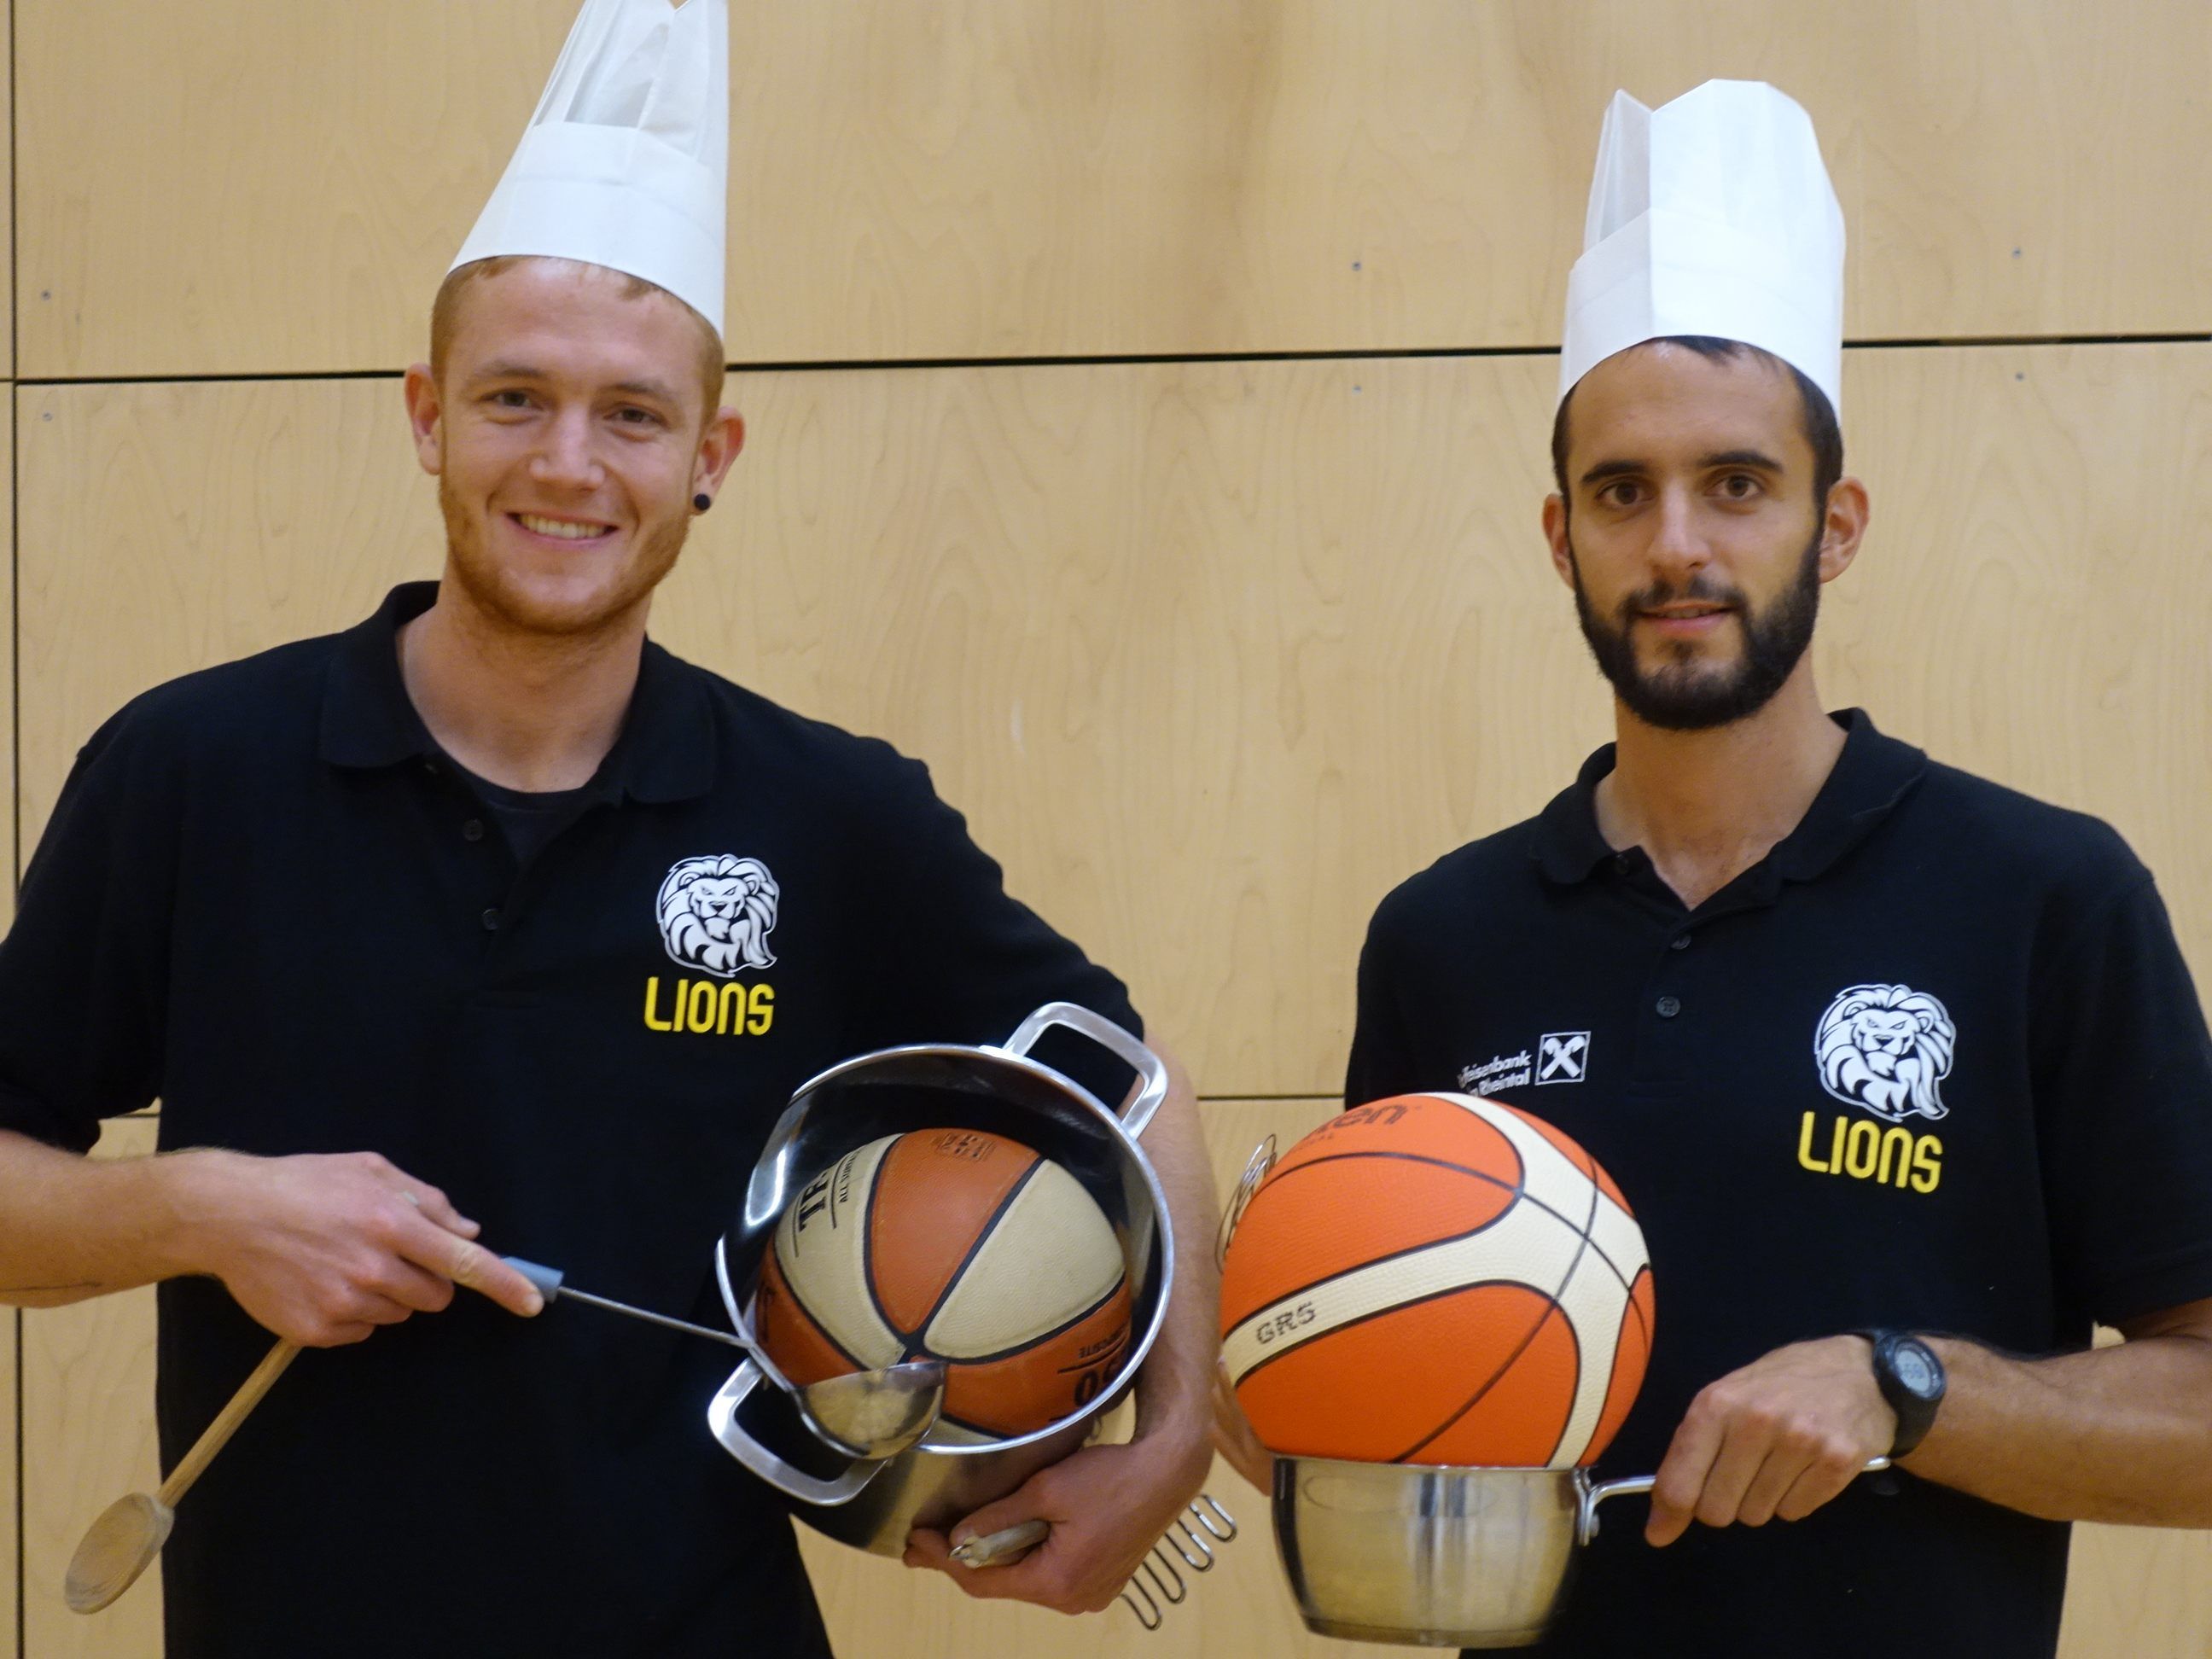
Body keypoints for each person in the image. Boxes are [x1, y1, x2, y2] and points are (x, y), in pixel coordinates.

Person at [0, 3, 1215, 1654]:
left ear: (709, 457)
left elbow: (1125, 1088)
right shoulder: (196, 769)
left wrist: (1178, 1429)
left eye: (633, 416)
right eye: (515, 399)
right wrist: (211, 1211)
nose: (568, 465)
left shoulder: (827, 811)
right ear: (427, 416)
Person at [1229, 81, 2212, 1656]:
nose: (1678, 544)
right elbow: (1380, 1422)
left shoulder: (2042, 898)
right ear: (1562, 539)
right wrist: (1267, 1356)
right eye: (1624, 492)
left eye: (1737, 484)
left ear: (1835, 526)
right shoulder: (1445, 938)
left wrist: (1909, 1389)